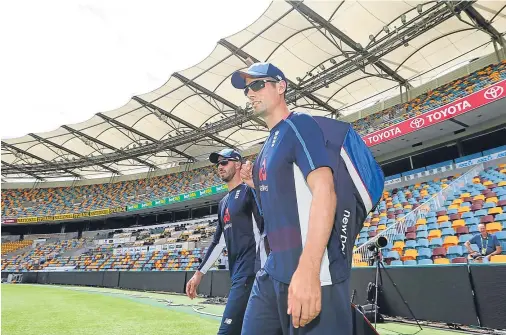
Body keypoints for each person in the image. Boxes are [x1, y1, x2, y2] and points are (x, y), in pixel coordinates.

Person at [232, 63, 383, 335]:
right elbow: (280, 205)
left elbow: (325, 190)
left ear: (281, 86)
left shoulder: (298, 124)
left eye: (257, 85)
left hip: (313, 272)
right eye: (246, 90)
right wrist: (255, 184)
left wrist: (309, 270)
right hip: (273, 270)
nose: (249, 93)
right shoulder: (268, 143)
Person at [185, 148, 265, 335]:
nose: (219, 167)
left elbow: (265, 227)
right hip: (237, 274)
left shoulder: (249, 191)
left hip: (252, 271)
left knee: (227, 331)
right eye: (218, 164)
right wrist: (199, 274)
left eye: (224, 162)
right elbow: (218, 242)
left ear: (238, 164)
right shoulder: (223, 203)